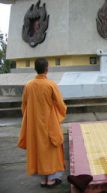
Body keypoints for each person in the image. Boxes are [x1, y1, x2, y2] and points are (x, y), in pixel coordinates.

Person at [17, 58, 67, 188]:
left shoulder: (28, 85)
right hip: (49, 122)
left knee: (38, 149)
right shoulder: (50, 84)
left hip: (34, 124)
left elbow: (24, 106)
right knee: (51, 149)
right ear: (47, 69)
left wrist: (30, 119)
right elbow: (61, 105)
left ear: (35, 69)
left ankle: (42, 179)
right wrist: (59, 115)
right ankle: (50, 180)